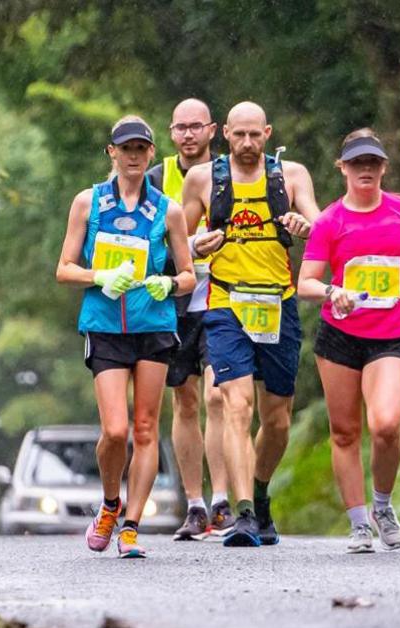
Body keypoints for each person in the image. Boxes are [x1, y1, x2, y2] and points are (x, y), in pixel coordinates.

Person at [296, 128, 400, 553]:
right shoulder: (329, 221)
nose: (366, 170)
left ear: (383, 167)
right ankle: (358, 523)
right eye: (357, 162)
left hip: (390, 334)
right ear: (342, 168)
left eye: (373, 162)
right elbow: (305, 282)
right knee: (344, 433)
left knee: (386, 426)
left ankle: (382, 505)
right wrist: (332, 291)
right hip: (340, 337)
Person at [179, 101, 319, 547]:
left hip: (278, 303)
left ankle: (259, 495)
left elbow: (322, 227)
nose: (246, 143)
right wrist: (197, 244)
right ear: (225, 134)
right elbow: (177, 241)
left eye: (255, 135)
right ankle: (241, 514)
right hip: (225, 303)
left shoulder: (291, 175)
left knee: (277, 420)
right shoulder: (203, 179)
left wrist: (303, 225)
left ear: (268, 132)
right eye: (238, 135)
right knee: (236, 406)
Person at [56, 115, 196, 558]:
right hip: (105, 326)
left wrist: (168, 285)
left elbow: (190, 273)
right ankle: (111, 503)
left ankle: (132, 526)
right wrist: (100, 276)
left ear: (152, 154)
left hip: (153, 325)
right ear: (111, 153)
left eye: (141, 149)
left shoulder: (168, 210)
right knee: (115, 431)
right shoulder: (88, 203)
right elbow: (64, 269)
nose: (134, 156)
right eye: (126, 149)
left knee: (146, 427)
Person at [146, 98, 233, 540]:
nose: (187, 135)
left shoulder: (230, 172)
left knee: (220, 396)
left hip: (221, 296)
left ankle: (223, 500)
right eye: (180, 128)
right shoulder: (155, 178)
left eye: (196, 127)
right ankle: (195, 503)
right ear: (171, 131)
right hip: (175, 300)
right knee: (185, 400)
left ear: (213, 130)